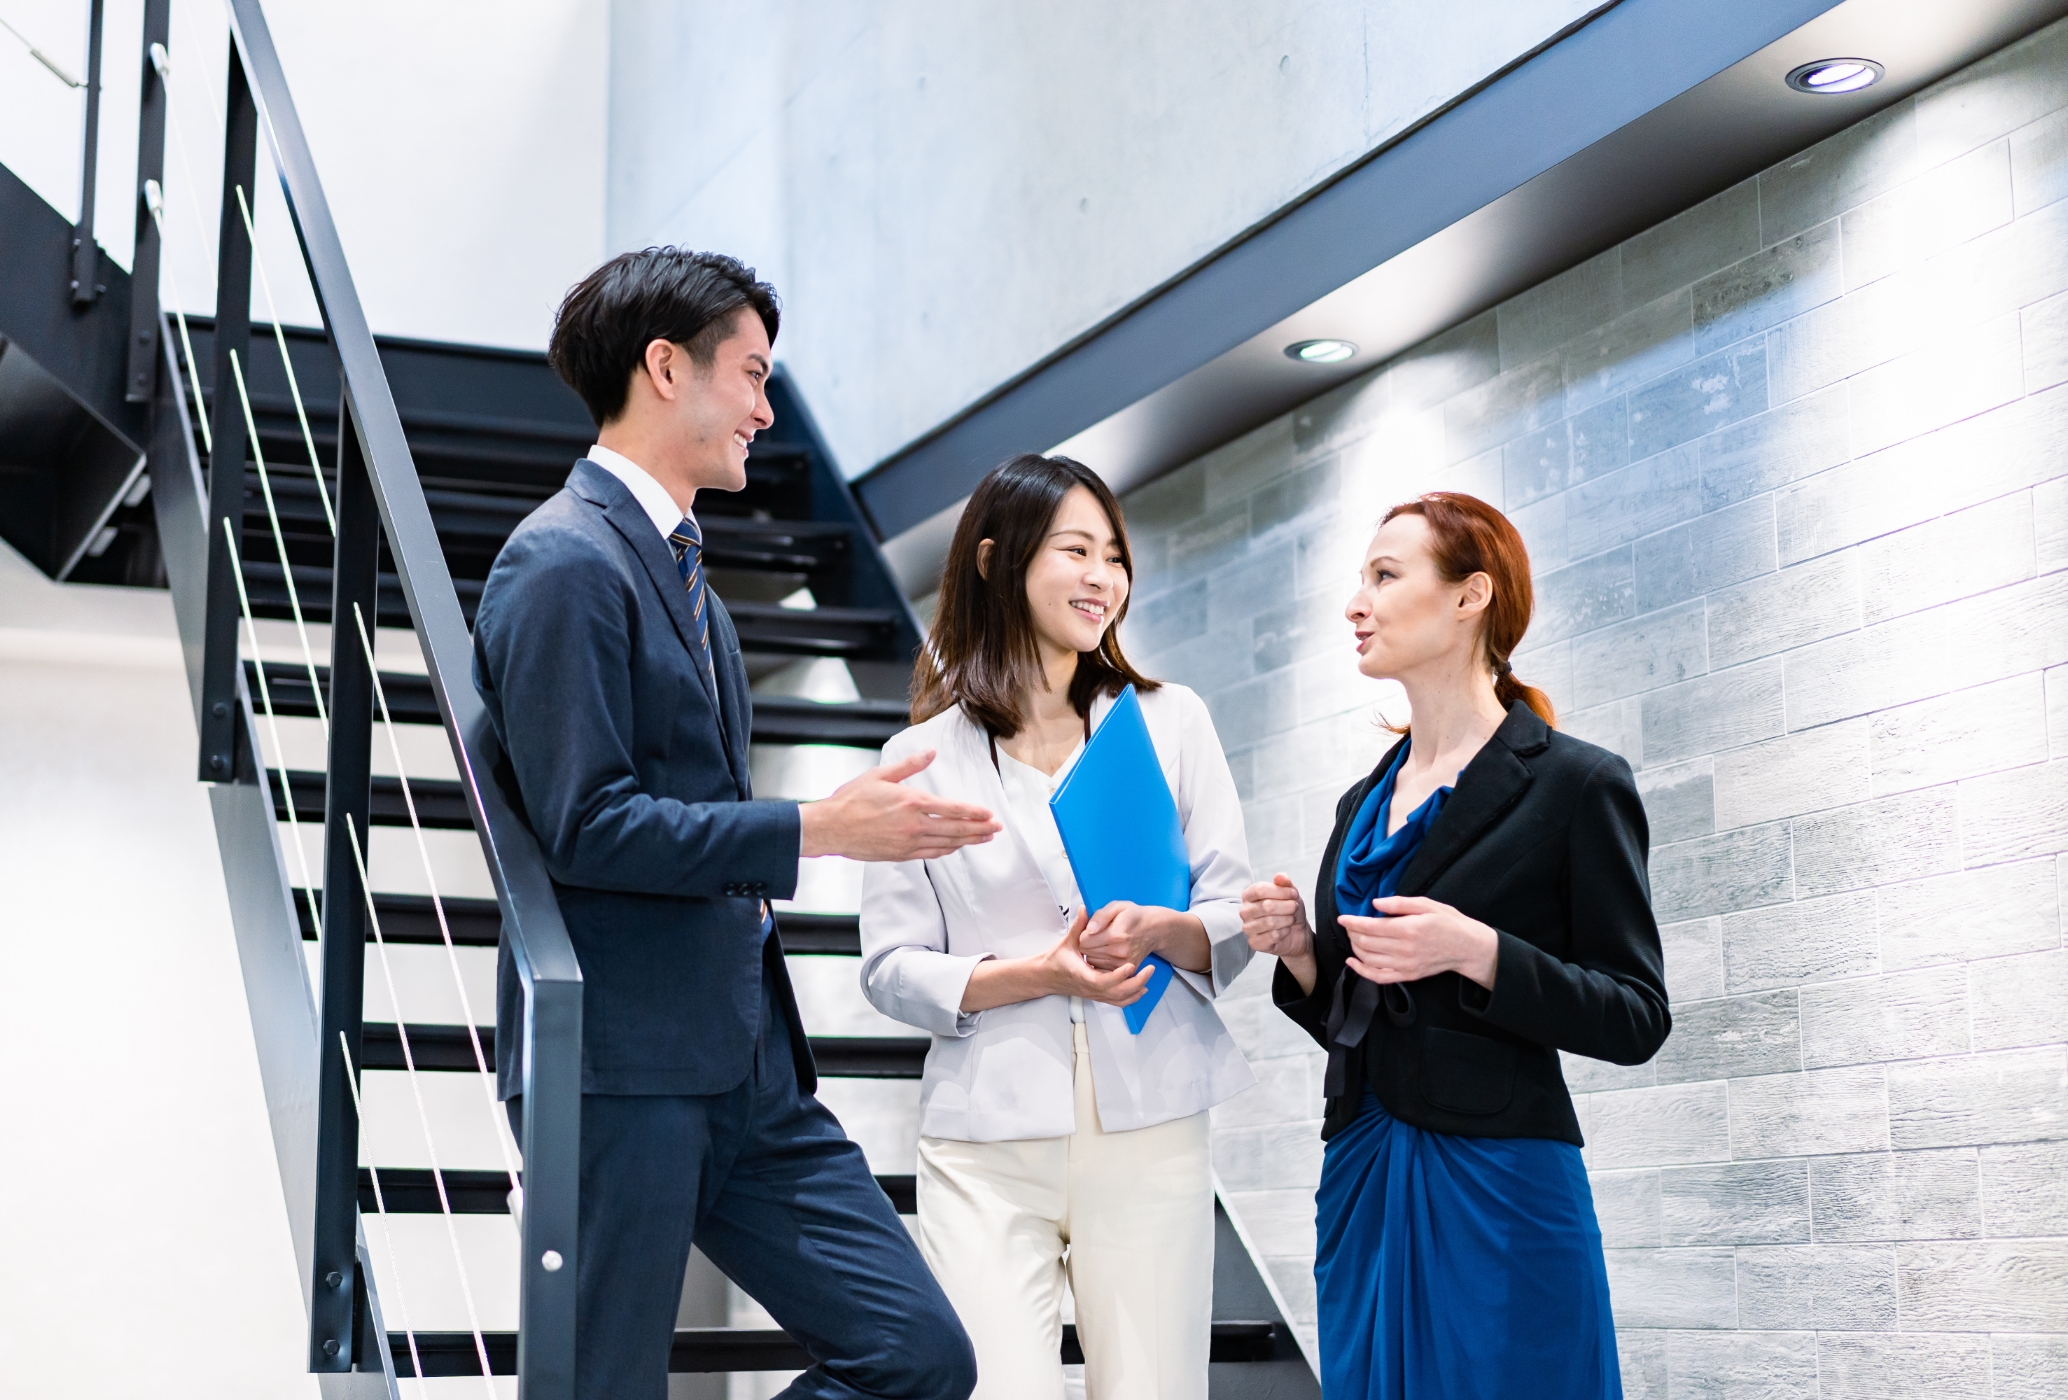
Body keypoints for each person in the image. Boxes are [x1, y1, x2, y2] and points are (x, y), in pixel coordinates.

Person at [473, 248, 1000, 1400]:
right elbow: (587, 823)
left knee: (917, 1353)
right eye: (752, 375)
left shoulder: (689, 578)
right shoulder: (561, 562)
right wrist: (818, 826)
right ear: (666, 368)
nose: (768, 409)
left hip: (748, 1067)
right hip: (618, 1061)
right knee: (599, 1384)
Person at [1239, 492, 1670, 1400]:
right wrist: (1302, 956)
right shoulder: (1358, 805)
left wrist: (1480, 952)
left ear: (1471, 597)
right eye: (1359, 579)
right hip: (1361, 1168)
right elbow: (1361, 1017)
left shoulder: (1577, 783)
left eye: (1385, 576)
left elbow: (1636, 1015)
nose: (1356, 603)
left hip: (1502, 1179)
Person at [858, 454, 1255, 1400]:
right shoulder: (919, 757)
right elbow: (888, 968)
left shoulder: (1171, 722)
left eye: (1113, 556)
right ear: (997, 561)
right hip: (985, 1144)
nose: (1102, 578)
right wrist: (1039, 973)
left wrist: (1165, 929)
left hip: (1152, 1127)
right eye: (1075, 550)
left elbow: (1231, 913)